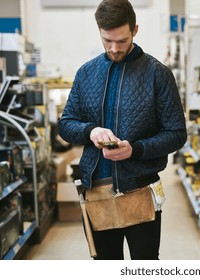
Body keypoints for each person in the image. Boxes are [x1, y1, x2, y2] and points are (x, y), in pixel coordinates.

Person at [58, 0, 187, 260]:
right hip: (96, 190)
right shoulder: (86, 73)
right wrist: (90, 131)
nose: (115, 48)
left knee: (145, 264)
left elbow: (176, 133)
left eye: (122, 41)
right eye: (108, 41)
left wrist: (136, 150)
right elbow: (66, 124)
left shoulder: (158, 74)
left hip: (140, 189)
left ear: (135, 30)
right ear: (100, 32)